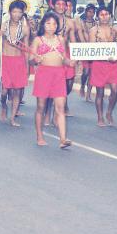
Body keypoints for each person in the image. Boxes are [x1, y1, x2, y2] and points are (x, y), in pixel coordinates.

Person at [29, 12, 75, 148]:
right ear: (43, 24)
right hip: (43, 74)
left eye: (54, 23)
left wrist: (70, 62)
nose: (51, 26)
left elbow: (64, 58)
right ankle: (39, 136)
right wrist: (35, 59)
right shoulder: (38, 40)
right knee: (41, 107)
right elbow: (30, 60)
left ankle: (63, 139)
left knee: (60, 107)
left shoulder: (61, 39)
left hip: (59, 75)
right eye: (48, 23)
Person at [0, 0, 31, 127]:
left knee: (17, 91)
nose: (17, 14)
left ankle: (12, 118)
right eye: (14, 12)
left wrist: (27, 66)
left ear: (22, 13)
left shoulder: (25, 29)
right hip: (6, 59)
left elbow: (27, 48)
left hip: (19, 61)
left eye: (19, 12)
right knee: (4, 92)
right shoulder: (3, 26)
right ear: (10, 12)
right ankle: (3, 106)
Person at [89, 6, 117, 127]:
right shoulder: (93, 30)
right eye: (101, 14)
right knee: (100, 93)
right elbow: (91, 48)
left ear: (110, 16)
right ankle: (100, 117)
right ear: (98, 16)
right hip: (99, 64)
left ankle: (109, 112)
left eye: (106, 14)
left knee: (115, 91)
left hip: (112, 64)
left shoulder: (115, 29)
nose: (104, 17)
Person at [79, 4, 97, 102]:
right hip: (85, 49)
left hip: (94, 50)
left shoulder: (96, 23)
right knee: (85, 72)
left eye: (93, 12)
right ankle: (82, 86)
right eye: (89, 11)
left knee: (92, 74)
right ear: (86, 12)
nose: (91, 14)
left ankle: (88, 95)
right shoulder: (81, 22)